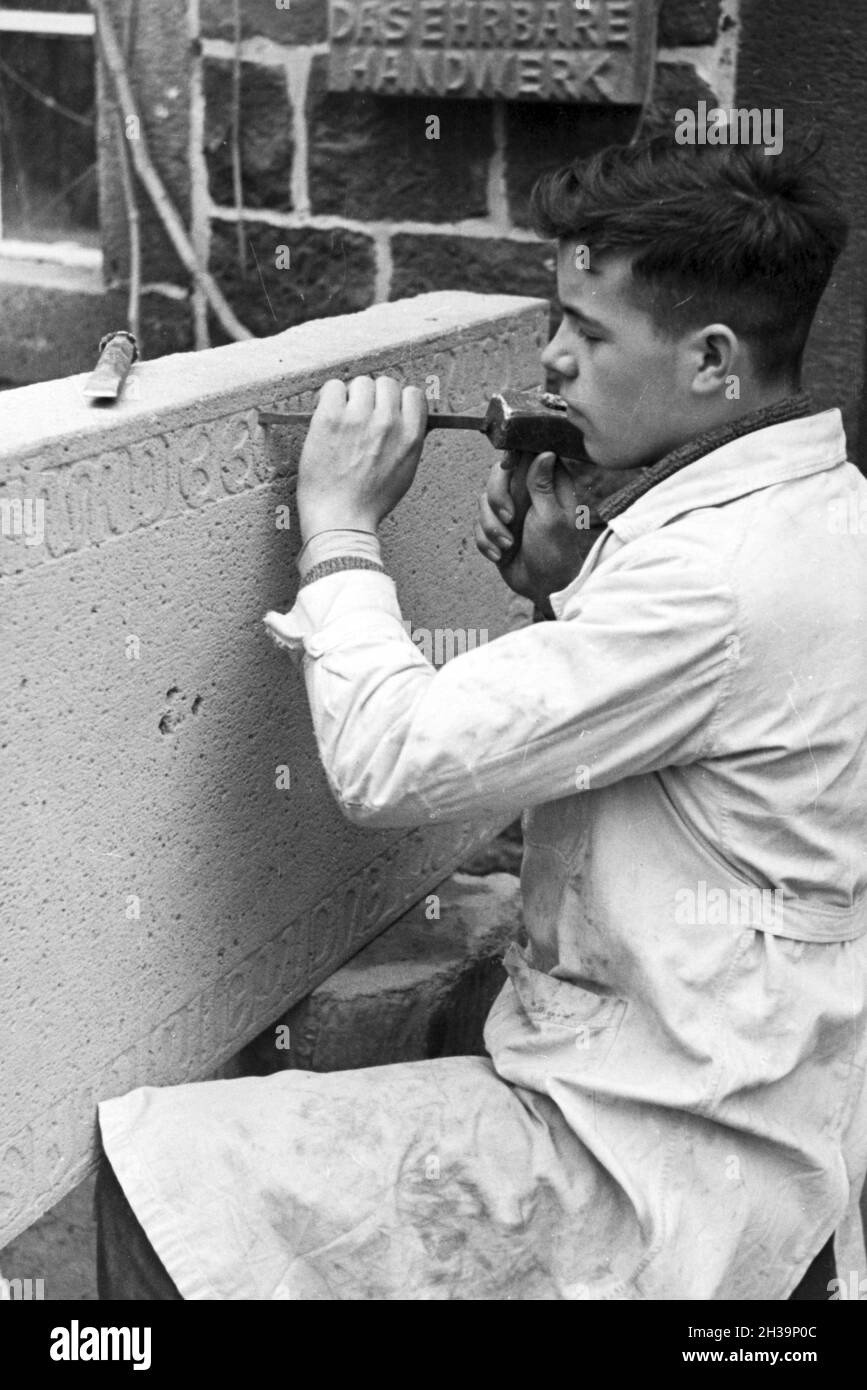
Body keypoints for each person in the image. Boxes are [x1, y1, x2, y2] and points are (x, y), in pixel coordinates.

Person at [96, 133, 867, 1300]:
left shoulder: (710, 581)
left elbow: (387, 762)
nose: (552, 359)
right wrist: (564, 590)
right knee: (396, 1022)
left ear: (714, 361)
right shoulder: (812, 503)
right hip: (750, 1059)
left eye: (590, 334)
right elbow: (681, 709)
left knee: (159, 1176)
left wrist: (343, 528)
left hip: (659, 1143)